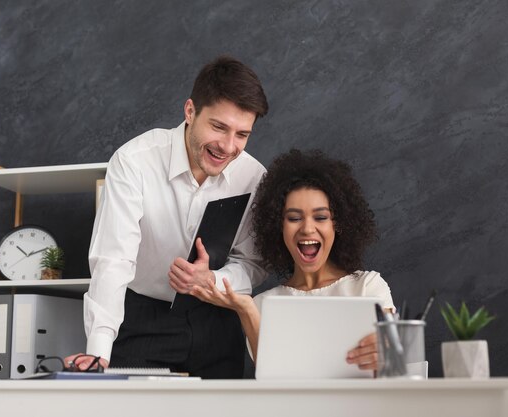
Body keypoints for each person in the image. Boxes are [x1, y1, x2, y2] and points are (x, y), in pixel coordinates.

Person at [66, 56, 269, 378]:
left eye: (242, 134)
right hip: (142, 317)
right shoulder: (134, 161)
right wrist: (99, 351)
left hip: (217, 318)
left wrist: (213, 280)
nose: (228, 147)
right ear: (190, 111)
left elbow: (254, 264)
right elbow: (114, 259)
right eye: (218, 127)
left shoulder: (254, 177)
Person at [191, 149, 394, 371]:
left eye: (321, 217)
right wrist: (246, 309)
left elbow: (391, 360)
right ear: (279, 227)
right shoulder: (262, 305)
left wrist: (388, 349)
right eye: (294, 218)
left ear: (339, 224)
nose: (307, 229)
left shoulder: (367, 287)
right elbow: (274, 376)